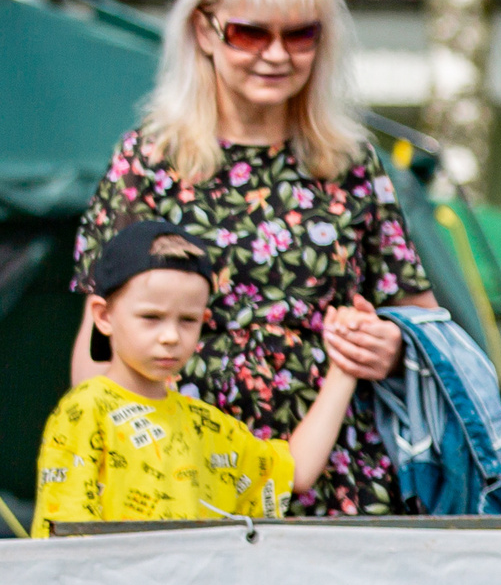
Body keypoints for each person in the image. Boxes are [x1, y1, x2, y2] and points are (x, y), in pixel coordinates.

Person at [70, 0, 431, 516]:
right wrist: (101, 461)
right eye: (249, 33)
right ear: (202, 32)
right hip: (181, 471)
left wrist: (389, 346)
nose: (276, 54)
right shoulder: (148, 159)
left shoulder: (350, 162)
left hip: (337, 473)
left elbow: (418, 317)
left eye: (300, 35)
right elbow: (100, 336)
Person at [36, 224, 362, 535]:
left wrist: (345, 366)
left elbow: (297, 470)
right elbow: (65, 546)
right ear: (104, 316)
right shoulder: (83, 413)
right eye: (151, 317)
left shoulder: (208, 426)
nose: (170, 336)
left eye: (188, 320)